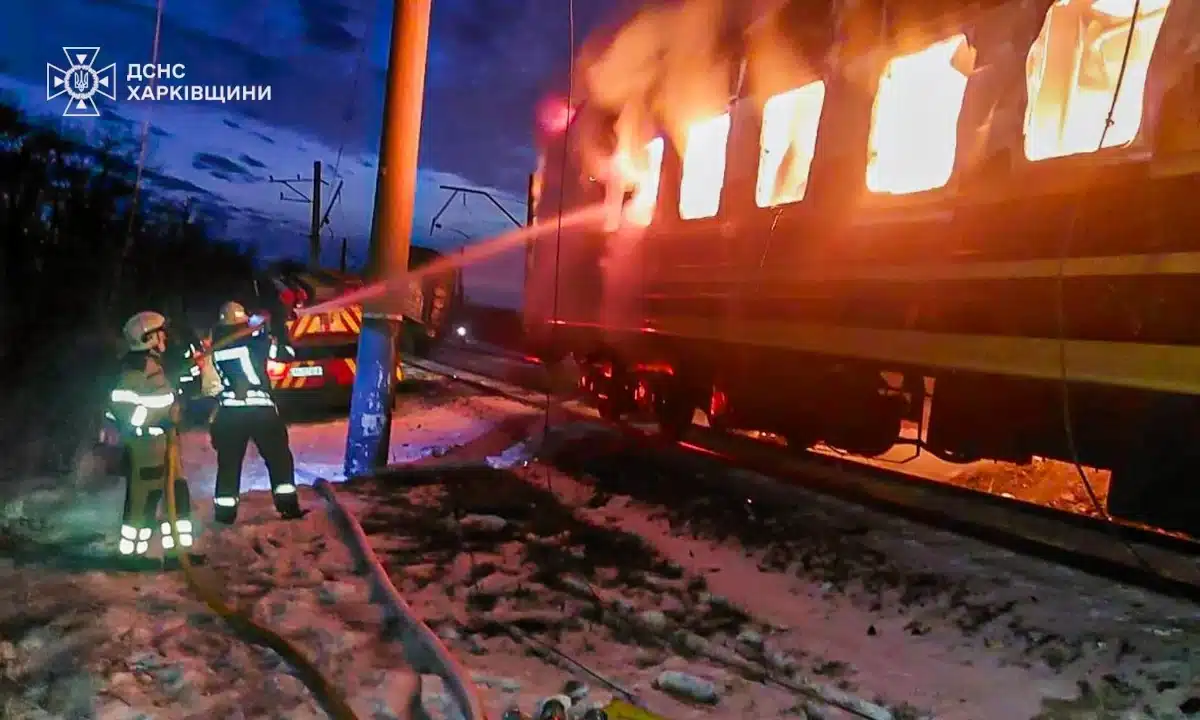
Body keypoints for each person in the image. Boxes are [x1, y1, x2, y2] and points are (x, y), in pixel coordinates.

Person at [104, 310, 198, 566]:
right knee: (142, 502)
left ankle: (178, 552)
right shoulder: (135, 370)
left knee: (176, 498)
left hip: (165, 444)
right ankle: (131, 555)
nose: (165, 337)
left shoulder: (154, 365)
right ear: (149, 337)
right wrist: (160, 417)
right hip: (146, 446)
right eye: (161, 333)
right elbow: (128, 412)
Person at [207, 300, 303, 523]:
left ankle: (224, 514)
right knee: (279, 459)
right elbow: (286, 354)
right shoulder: (255, 342)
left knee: (229, 465)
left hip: (229, 413)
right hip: (261, 411)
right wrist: (279, 330)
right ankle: (287, 506)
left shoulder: (219, 345)